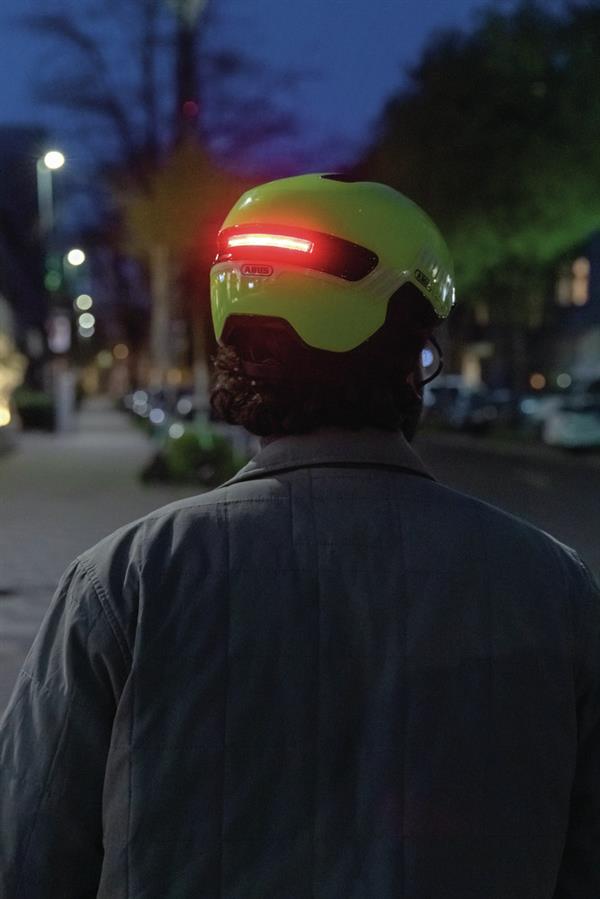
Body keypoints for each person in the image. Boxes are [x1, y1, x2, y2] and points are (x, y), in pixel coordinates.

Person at [1, 174, 599, 899]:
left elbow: (26, 857)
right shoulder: (555, 589)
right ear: (416, 359)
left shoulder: (125, 583)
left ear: (234, 352)